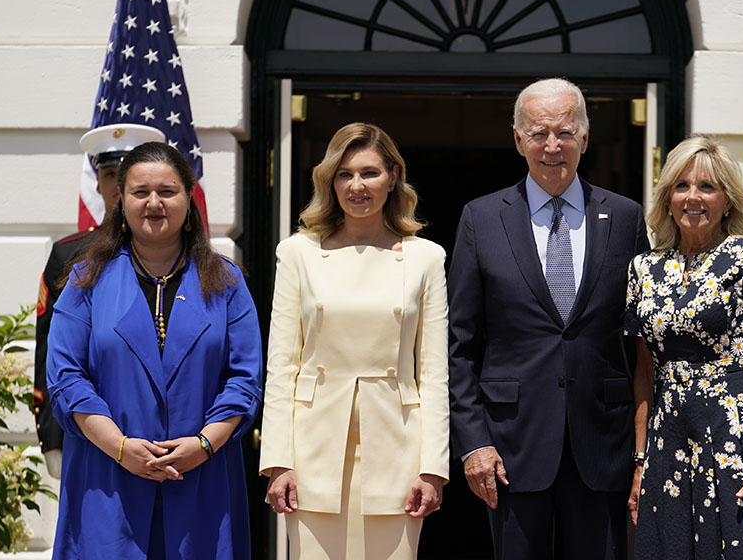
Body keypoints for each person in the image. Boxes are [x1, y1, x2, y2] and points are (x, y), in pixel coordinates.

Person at [448, 77, 649, 560]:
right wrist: (473, 443)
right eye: (538, 134)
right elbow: (457, 346)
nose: (552, 146)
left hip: (603, 443)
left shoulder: (625, 217)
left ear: (585, 137)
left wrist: (645, 447)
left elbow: (644, 340)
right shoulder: (481, 218)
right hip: (511, 447)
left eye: (565, 132)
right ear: (518, 140)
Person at [47, 141, 262, 558]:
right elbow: (66, 377)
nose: (154, 203)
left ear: (189, 198)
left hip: (202, 478)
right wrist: (121, 448)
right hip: (106, 477)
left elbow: (245, 380)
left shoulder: (227, 282)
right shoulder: (85, 280)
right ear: (120, 202)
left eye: (167, 191)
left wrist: (202, 445)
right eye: (140, 192)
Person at [260, 123, 449, 560]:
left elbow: (434, 373)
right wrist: (278, 462)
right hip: (311, 451)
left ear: (393, 176)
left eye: (369, 173)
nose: (356, 186)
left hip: (398, 449)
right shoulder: (297, 253)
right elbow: (281, 367)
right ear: (330, 180)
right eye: (344, 174)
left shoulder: (425, 257)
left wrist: (432, 469)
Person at [626, 135, 743, 558]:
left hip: (738, 440)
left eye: (708, 187)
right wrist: (639, 461)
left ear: (729, 200)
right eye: (682, 186)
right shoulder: (644, 269)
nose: (693, 197)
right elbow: (645, 372)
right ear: (667, 198)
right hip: (668, 442)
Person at [35, 123, 165, 479]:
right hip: (87, 429)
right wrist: (52, 437)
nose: (118, 186)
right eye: (110, 174)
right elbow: (49, 352)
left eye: (127, 174)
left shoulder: (173, 254)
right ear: (99, 183)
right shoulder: (70, 255)